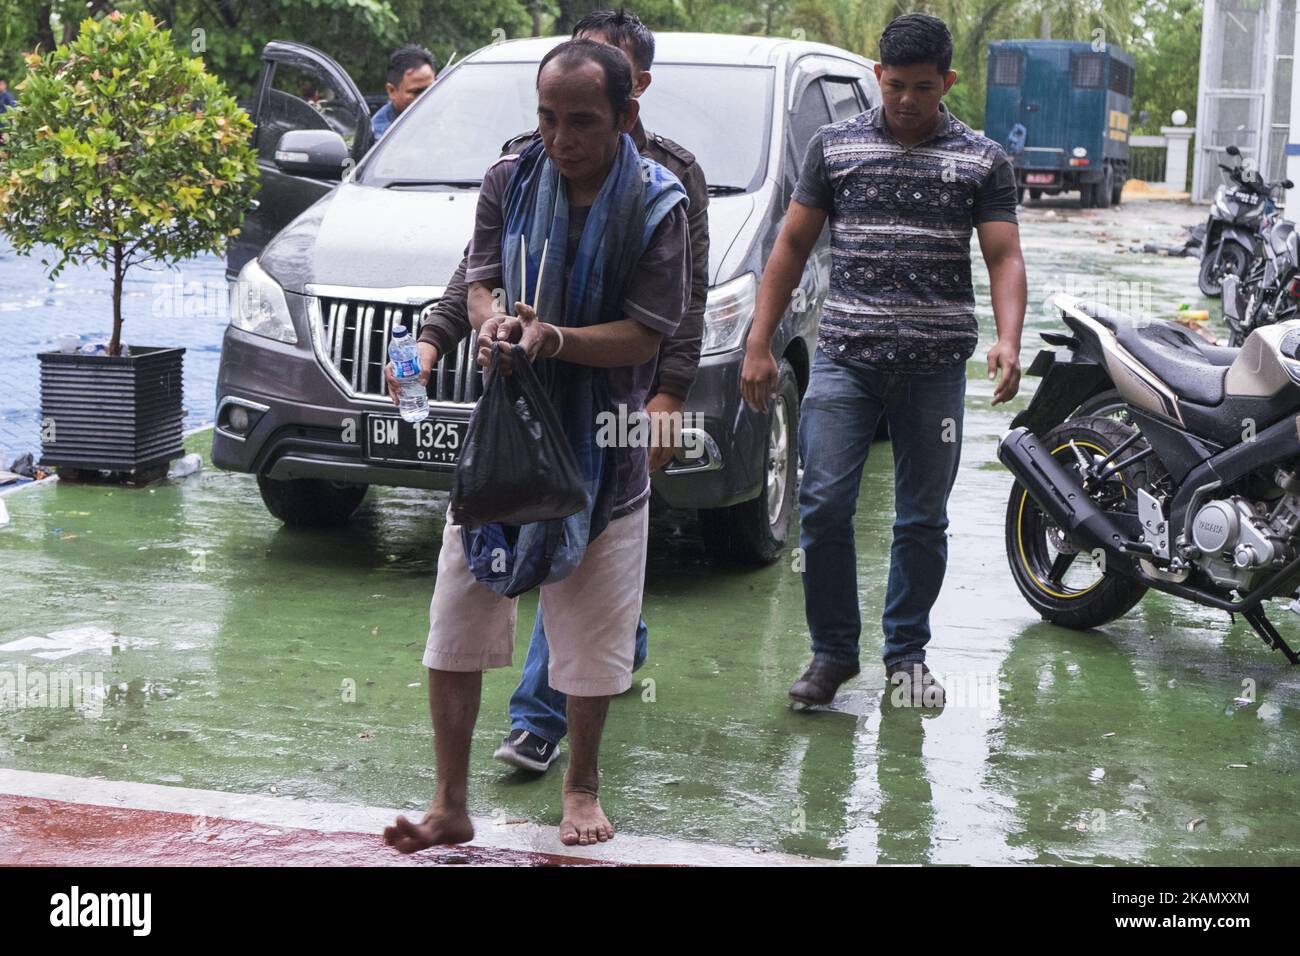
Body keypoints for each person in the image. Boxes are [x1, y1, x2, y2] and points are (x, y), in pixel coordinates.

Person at [383, 38, 690, 851]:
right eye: (548, 118)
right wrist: (480, 329)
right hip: (504, 437)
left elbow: (648, 336)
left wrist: (554, 340)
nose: (563, 139)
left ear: (627, 114)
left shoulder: (660, 203)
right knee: (455, 622)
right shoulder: (508, 180)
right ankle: (450, 800)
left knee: (591, 634)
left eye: (583, 121)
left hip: (604, 448)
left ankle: (580, 786)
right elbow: (478, 280)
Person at [740, 13, 1027, 710]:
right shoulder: (834, 147)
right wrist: (759, 341)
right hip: (845, 359)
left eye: (921, 88)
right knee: (824, 504)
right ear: (878, 76)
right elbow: (790, 246)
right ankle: (833, 653)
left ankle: (907, 656)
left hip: (934, 370)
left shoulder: (981, 159)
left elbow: (1003, 255)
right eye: (894, 85)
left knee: (922, 520)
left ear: (947, 83)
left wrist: (1009, 338)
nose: (904, 100)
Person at [371, 44, 436, 140]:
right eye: (416, 92)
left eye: (431, 90)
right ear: (391, 91)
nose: (426, 98)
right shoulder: (381, 138)